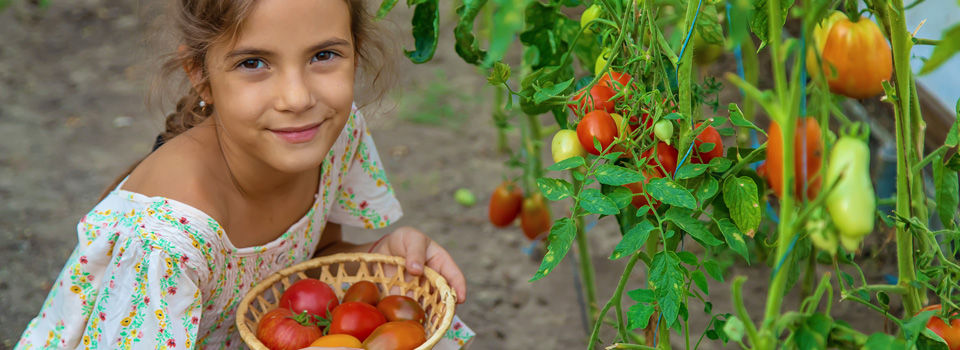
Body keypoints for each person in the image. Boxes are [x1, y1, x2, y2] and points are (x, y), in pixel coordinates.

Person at [15, 0, 467, 348]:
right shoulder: (165, 244)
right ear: (201, 74)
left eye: (324, 55)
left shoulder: (333, 134)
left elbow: (310, 260)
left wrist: (374, 254)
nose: (296, 97)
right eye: (253, 63)